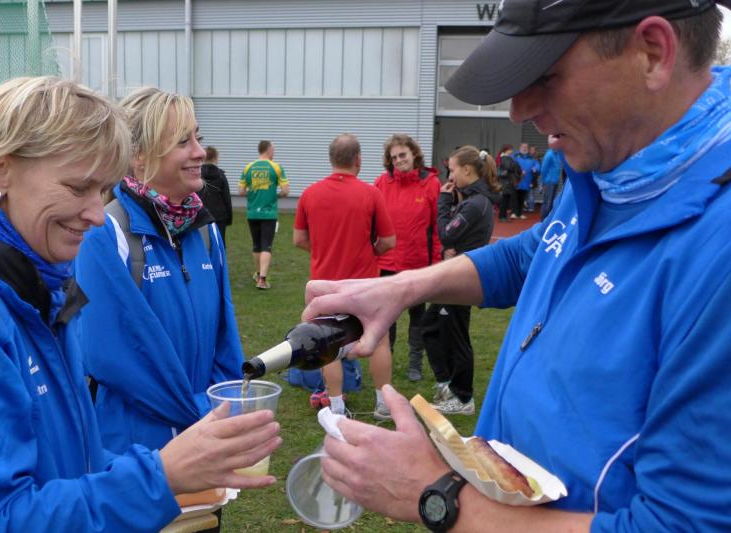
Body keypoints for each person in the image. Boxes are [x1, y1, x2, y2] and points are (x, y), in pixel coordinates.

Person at [302, 1, 731, 531]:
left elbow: (679, 525)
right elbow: (532, 253)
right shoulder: (617, 163)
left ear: (653, 53)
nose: (519, 110)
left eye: (545, 76)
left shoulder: (715, 245)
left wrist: (434, 495)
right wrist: (404, 288)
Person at [0, 76, 281, 532]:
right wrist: (160, 477)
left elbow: (72, 462)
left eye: (103, 191)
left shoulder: (38, 290)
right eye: (79, 188)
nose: (98, 214)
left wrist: (165, 469)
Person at [75, 86, 244, 477]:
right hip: (136, 456)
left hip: (206, 437)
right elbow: (111, 357)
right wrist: (203, 411)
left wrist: (226, 405)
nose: (199, 152)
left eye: (198, 137)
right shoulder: (106, 232)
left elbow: (226, 338)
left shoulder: (205, 231)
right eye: (183, 142)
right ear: (139, 156)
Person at [293, 134, 396, 420]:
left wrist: (323, 250)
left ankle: (337, 406)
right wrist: (369, 252)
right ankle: (384, 404)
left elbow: (299, 239)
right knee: (379, 339)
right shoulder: (371, 193)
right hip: (364, 282)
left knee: (328, 343)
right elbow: (388, 241)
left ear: (331, 159)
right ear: (358, 160)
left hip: (325, 283)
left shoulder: (310, 193)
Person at [420, 146, 500, 416]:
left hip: (463, 279)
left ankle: (463, 397)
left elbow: (446, 234)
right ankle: (447, 383)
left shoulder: (476, 204)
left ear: (467, 170)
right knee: (431, 326)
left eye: (452, 170)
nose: (450, 176)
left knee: (456, 335)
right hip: (458, 274)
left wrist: (443, 202)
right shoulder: (472, 200)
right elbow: (454, 237)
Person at [374, 133, 442, 382]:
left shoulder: (431, 184)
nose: (399, 160)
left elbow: (437, 229)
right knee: (387, 317)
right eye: (394, 157)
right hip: (387, 263)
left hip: (417, 263)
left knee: (418, 316)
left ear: (414, 154)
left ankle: (415, 362)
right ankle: (387, 357)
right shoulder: (381, 183)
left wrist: (436, 263)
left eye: (402, 155)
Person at [239, 140, 289, 290]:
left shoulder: (248, 167)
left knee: (256, 245)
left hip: (252, 212)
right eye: (273, 149)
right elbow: (285, 191)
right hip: (269, 213)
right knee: (266, 245)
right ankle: (262, 280)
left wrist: (253, 197)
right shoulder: (276, 167)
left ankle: (258, 273)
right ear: (268, 150)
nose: (274, 152)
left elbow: (241, 191)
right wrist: (274, 196)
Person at [200, 145, 233, 243]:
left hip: (201, 214)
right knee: (219, 242)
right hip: (219, 216)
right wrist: (229, 218)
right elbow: (226, 198)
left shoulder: (197, 175)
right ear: (216, 158)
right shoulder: (221, 176)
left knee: (203, 242)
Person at [539, 137, 565, 220]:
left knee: (551, 201)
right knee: (548, 202)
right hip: (549, 182)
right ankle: (543, 220)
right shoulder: (549, 155)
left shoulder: (557, 154)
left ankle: (547, 219)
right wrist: (543, 182)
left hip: (555, 181)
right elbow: (543, 169)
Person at [513, 142, 540, 218]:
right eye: (523, 147)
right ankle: (514, 213)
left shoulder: (531, 157)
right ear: (520, 148)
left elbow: (538, 165)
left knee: (523, 198)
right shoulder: (515, 156)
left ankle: (520, 213)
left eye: (526, 147)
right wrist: (519, 171)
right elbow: (511, 165)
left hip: (526, 181)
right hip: (516, 181)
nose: (524, 148)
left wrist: (536, 168)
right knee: (515, 197)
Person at [496, 144, 521, 221]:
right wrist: (515, 164)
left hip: (507, 181)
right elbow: (509, 167)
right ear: (506, 150)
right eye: (510, 149)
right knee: (504, 200)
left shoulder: (505, 158)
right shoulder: (504, 158)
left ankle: (503, 216)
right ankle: (502, 217)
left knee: (506, 200)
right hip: (506, 181)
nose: (511, 151)